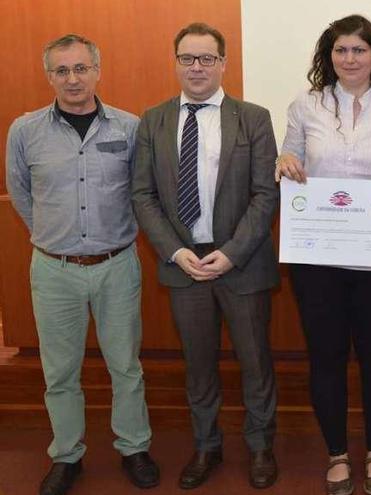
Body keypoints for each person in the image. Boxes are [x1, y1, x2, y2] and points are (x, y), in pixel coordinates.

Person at [274, 14, 371, 495]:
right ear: (328, 56)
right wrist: (287, 162)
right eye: (341, 50)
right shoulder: (305, 105)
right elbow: (288, 160)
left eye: (359, 50)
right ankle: (337, 453)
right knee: (326, 356)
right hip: (317, 259)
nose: (350, 58)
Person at [5, 34, 159, 495]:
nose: (72, 79)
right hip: (54, 269)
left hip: (117, 265)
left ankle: (134, 447)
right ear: (49, 75)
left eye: (80, 68)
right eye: (61, 70)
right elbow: (22, 195)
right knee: (60, 372)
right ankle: (67, 456)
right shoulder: (24, 130)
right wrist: (57, 238)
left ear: (97, 70)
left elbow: (142, 194)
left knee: (125, 365)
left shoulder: (130, 128)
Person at [131, 22, 280, 489]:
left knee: (255, 363)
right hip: (184, 266)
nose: (197, 68)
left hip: (242, 264)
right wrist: (175, 252)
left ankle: (260, 447)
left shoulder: (253, 117)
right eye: (187, 59)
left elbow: (264, 194)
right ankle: (206, 446)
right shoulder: (152, 119)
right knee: (198, 366)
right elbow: (142, 195)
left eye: (207, 58)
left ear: (223, 63)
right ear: (175, 63)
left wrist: (232, 253)